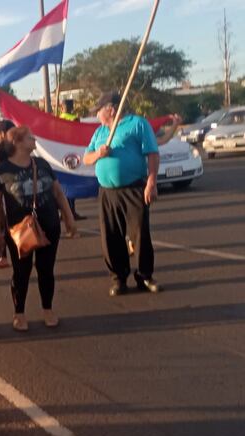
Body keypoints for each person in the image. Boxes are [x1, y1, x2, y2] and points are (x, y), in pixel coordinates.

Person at [0, 126, 78, 332]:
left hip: (49, 224)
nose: (34, 139)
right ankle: (19, 312)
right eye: (30, 137)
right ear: (17, 143)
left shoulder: (41, 163)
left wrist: (69, 217)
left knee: (46, 269)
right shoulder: (1, 170)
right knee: (21, 272)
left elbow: (57, 192)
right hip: (20, 230)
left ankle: (47, 309)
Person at [83, 91, 161, 297]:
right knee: (110, 236)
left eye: (98, 111)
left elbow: (152, 153)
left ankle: (145, 276)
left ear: (111, 109)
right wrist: (98, 154)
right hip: (108, 192)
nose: (97, 115)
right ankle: (118, 278)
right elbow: (86, 159)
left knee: (140, 234)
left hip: (134, 188)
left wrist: (151, 181)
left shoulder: (137, 124)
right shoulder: (100, 132)